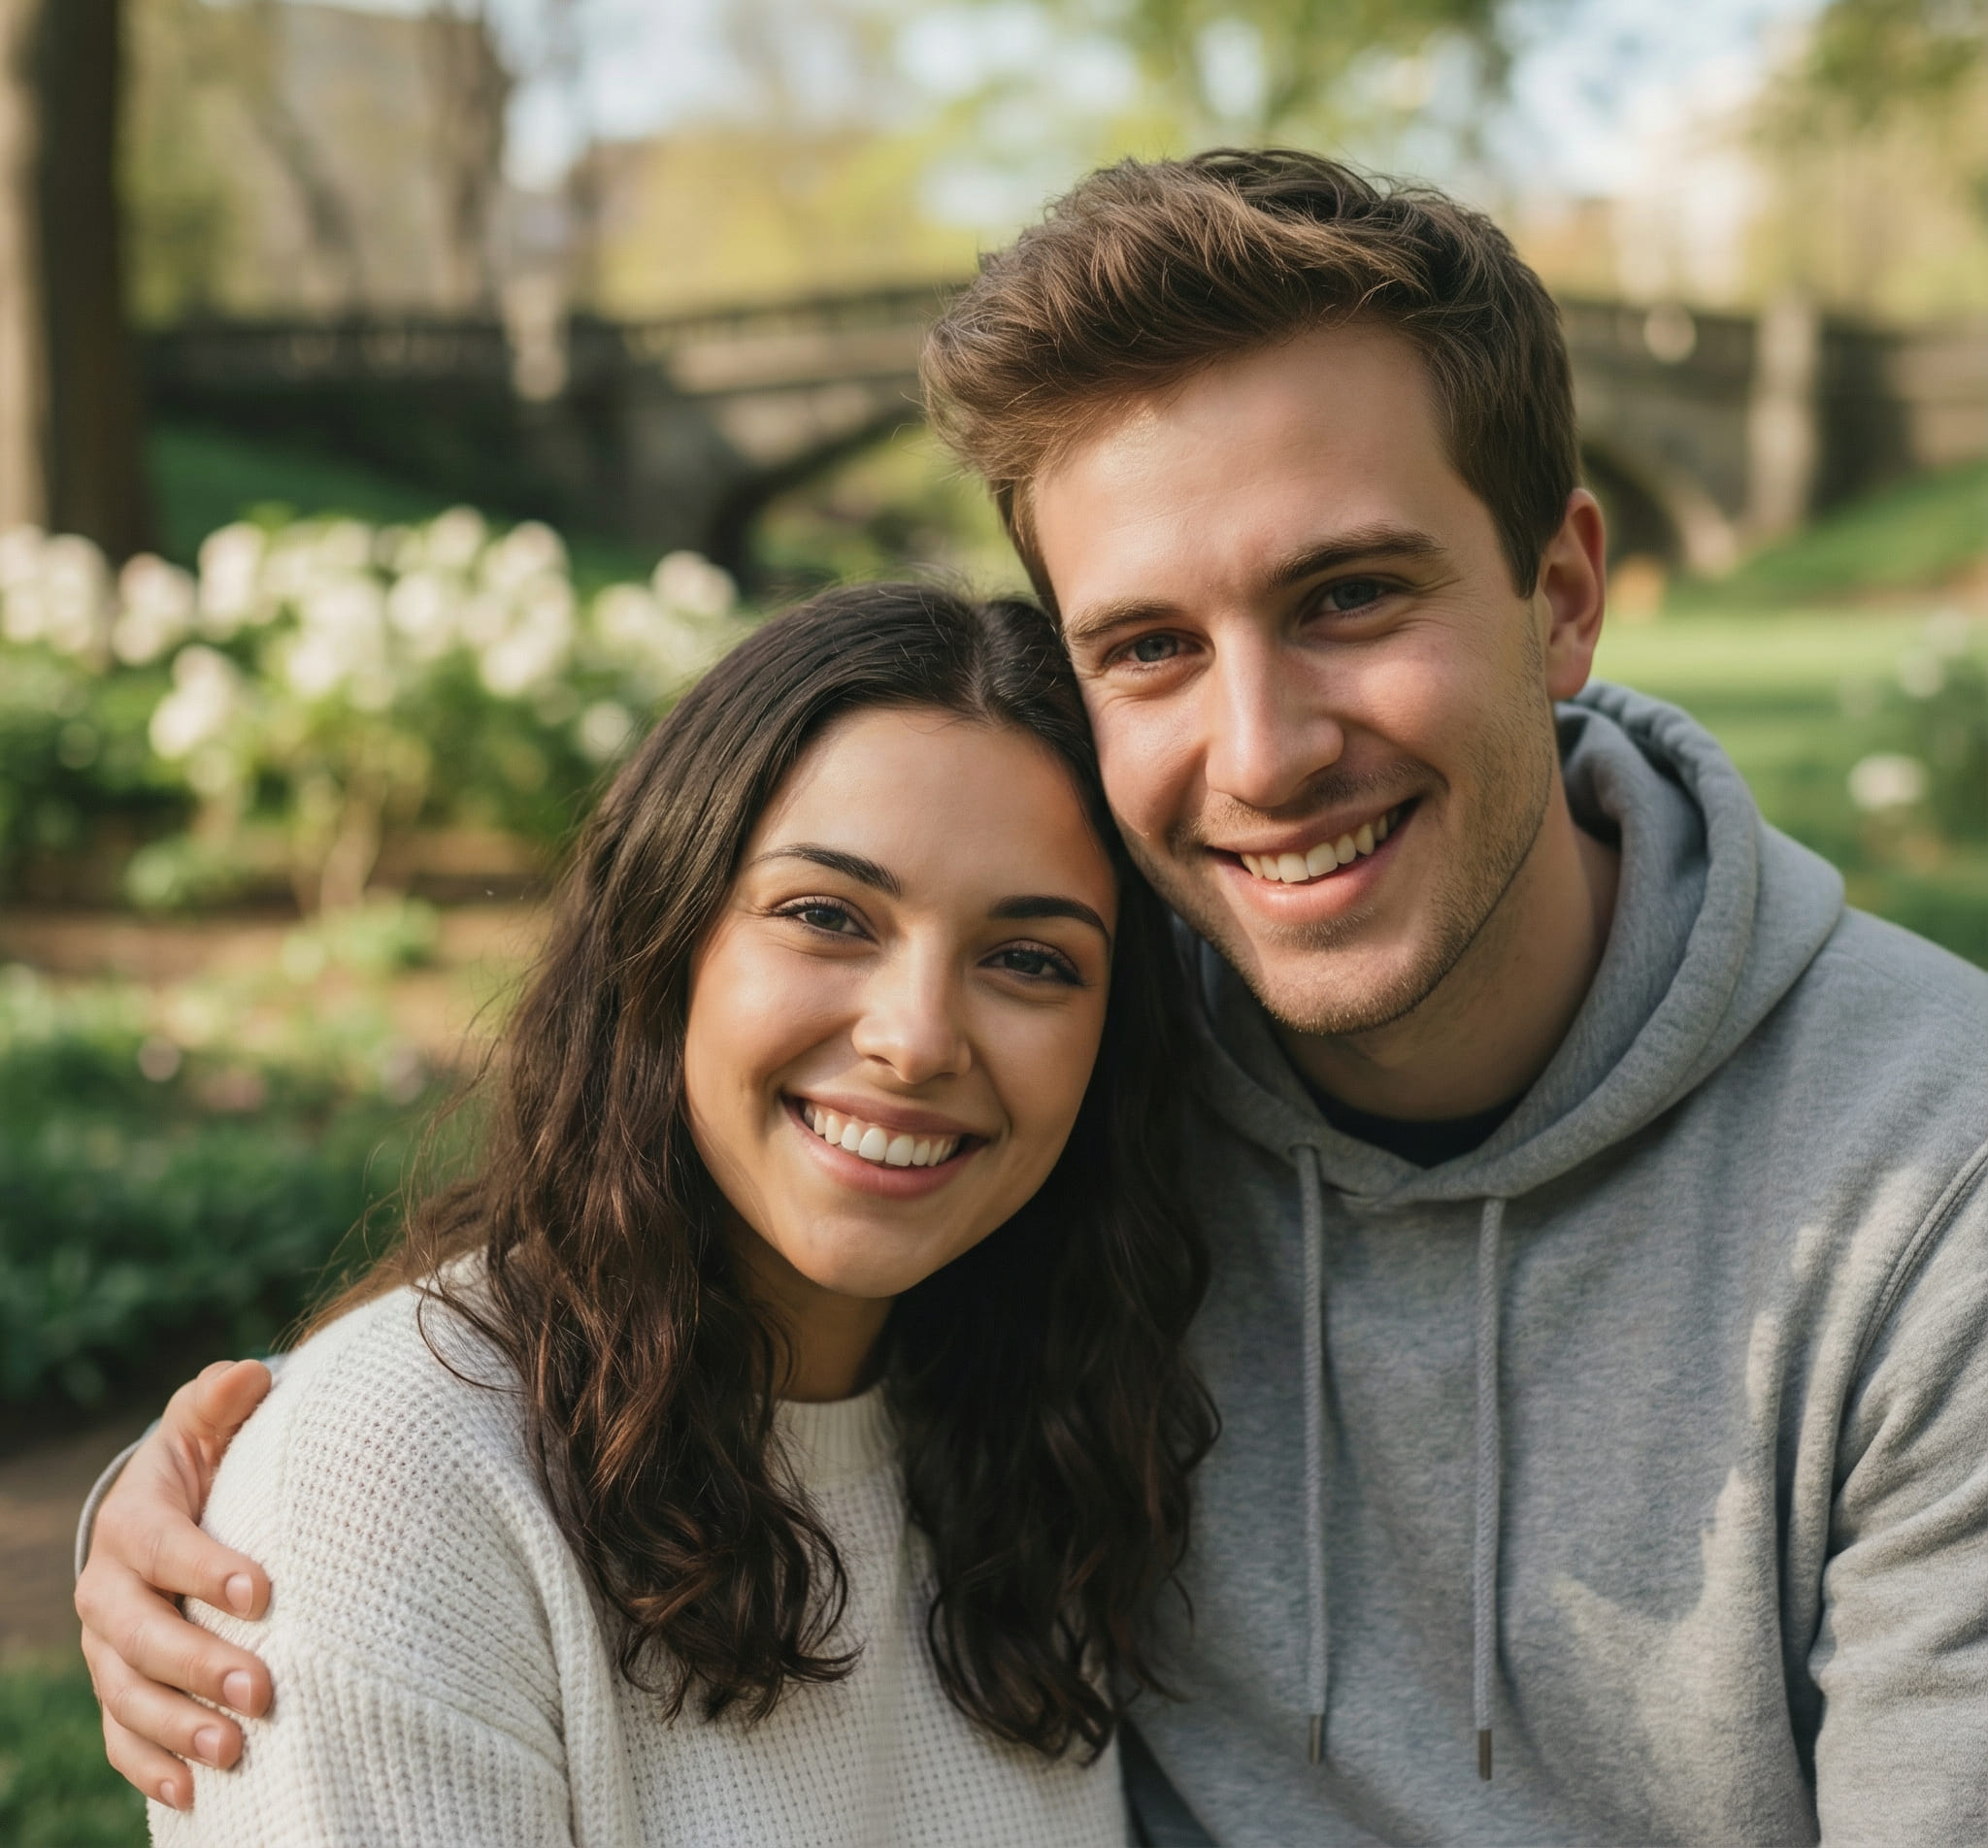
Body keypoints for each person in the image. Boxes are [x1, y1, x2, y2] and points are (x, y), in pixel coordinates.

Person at [82, 152, 1988, 1845]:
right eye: (1149, 646)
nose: (1261, 751)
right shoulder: (1060, 1038)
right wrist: (256, 1509)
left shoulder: (1932, 1190)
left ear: (1560, 592)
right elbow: (643, 1286)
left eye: (1346, 598)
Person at [86, 582, 1212, 1844]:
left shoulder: (1043, 1437)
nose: (917, 1040)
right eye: (827, 916)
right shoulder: (401, 1480)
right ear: (665, 940)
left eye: (1031, 959)